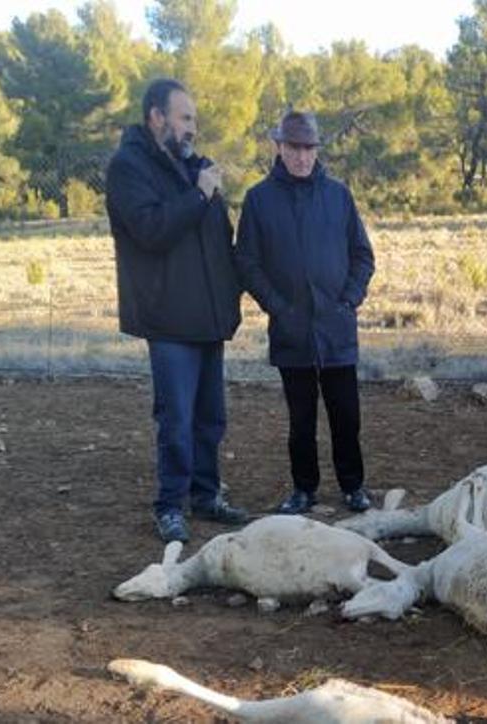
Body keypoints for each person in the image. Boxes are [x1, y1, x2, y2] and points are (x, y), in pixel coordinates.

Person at [105, 78, 250, 542]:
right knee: (177, 419)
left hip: (207, 316)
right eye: (185, 118)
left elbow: (220, 241)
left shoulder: (195, 169)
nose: (192, 129)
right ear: (156, 117)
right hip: (167, 317)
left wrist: (232, 300)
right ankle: (170, 505)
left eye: (195, 121)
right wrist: (199, 194)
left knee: (211, 417)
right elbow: (150, 230)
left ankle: (206, 497)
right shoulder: (128, 167)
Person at [234, 110, 376, 515]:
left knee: (346, 415)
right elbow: (246, 261)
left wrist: (348, 300)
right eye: (294, 147)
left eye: (308, 148)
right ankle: (304, 489)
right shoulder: (259, 200)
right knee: (301, 421)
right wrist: (277, 306)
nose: (301, 156)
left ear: (316, 150)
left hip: (336, 330)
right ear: (279, 147)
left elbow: (362, 255)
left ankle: (354, 486)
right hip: (291, 331)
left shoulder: (338, 195)